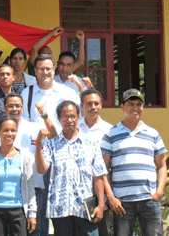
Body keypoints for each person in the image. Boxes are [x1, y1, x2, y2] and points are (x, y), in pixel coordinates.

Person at [0, 93, 57, 236]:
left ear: (23, 108)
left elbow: (54, 137)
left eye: (18, 106)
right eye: (11, 106)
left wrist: (44, 115)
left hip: (34, 188)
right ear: (4, 108)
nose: (15, 109)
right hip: (5, 192)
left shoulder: (34, 128)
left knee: (35, 230)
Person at [35, 100, 107, 236]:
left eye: (73, 116)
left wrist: (101, 205)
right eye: (65, 117)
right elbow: (41, 169)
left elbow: (98, 176)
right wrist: (39, 144)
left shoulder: (91, 144)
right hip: (61, 211)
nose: (70, 120)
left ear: (78, 117)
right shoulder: (51, 145)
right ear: (59, 119)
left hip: (86, 210)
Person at [101, 89, 167, 236]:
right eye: (131, 104)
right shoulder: (110, 135)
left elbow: (162, 165)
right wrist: (111, 198)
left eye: (139, 104)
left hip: (149, 200)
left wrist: (159, 192)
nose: (136, 108)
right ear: (122, 107)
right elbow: (103, 169)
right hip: (122, 203)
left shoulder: (153, 134)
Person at [0, 116, 37, 236]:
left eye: (13, 130)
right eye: (5, 130)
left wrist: (32, 213)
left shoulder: (24, 156)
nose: (9, 134)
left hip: (19, 210)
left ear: (17, 132)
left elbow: (30, 186)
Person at [78, 89, 112, 236]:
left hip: (101, 190)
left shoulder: (109, 130)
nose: (93, 107)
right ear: (82, 106)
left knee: (101, 230)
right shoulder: (74, 128)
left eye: (96, 103)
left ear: (101, 105)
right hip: (77, 192)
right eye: (89, 103)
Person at [21, 53, 80, 133]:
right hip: (36, 143)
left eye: (48, 69)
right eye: (41, 69)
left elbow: (79, 120)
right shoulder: (26, 93)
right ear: (35, 71)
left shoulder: (68, 93)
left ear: (53, 70)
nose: (45, 72)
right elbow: (24, 122)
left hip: (62, 142)